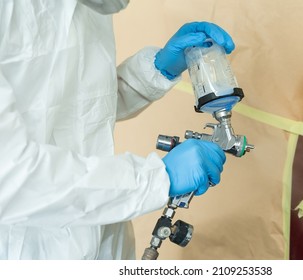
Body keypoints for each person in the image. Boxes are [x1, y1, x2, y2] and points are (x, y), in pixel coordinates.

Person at [0, 0, 235, 259]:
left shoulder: (90, 7)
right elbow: (10, 175)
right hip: (28, 250)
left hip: (107, 236)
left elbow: (76, 111)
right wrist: (155, 179)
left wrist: (156, 71)